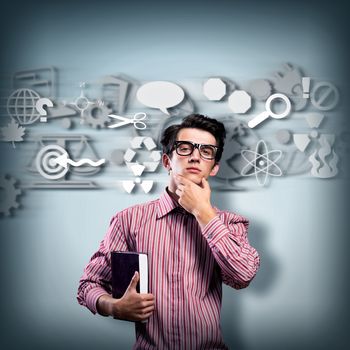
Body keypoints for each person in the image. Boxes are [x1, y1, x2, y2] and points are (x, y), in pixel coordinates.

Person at [77, 114, 260, 349]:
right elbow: (89, 284)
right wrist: (113, 306)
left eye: (206, 151)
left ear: (214, 168)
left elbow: (242, 276)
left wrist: (203, 212)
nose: (195, 156)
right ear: (166, 161)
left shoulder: (229, 223)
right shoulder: (129, 220)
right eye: (185, 148)